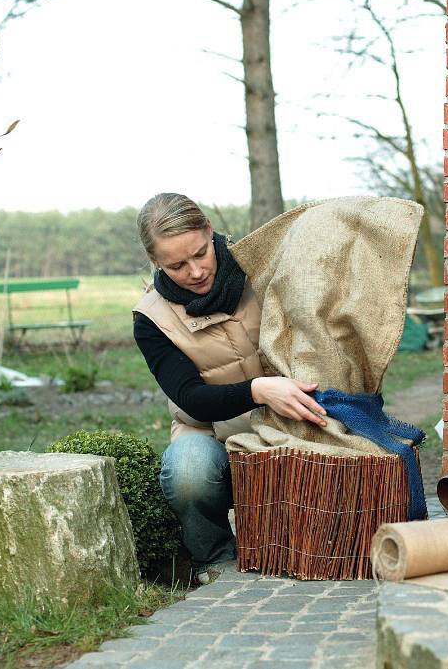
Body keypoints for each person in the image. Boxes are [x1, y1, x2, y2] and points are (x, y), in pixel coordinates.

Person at [132, 193, 328, 584]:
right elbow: (189, 398)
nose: (195, 271)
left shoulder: (260, 266)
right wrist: (258, 390)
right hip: (209, 430)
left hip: (289, 415)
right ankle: (216, 561)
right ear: (155, 262)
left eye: (200, 253)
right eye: (176, 265)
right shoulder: (150, 319)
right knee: (188, 472)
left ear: (210, 231)